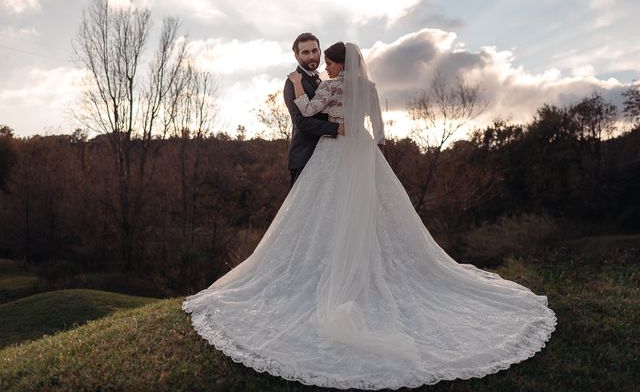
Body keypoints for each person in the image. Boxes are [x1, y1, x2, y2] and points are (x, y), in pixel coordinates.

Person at [182, 42, 556, 390]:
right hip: (364, 154)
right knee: (371, 214)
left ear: (339, 63)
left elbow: (307, 112)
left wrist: (299, 87)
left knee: (325, 212)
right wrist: (364, 146)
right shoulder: (372, 89)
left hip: (332, 155)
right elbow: (378, 131)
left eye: (328, 60)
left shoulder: (329, 87)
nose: (325, 66)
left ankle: (329, 267)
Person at [283, 32, 344, 188]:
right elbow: (301, 121)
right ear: (296, 56)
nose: (312, 56)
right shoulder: (292, 82)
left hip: (327, 155)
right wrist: (337, 128)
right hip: (305, 157)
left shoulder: (322, 81)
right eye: (305, 52)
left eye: (315, 51)